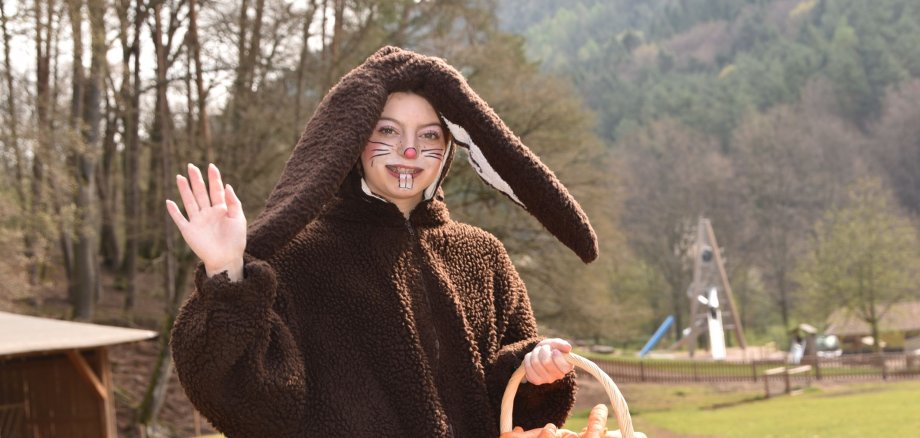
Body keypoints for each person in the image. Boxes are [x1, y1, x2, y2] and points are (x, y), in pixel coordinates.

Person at [167, 46, 599, 437]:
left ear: (451, 145)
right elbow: (245, 404)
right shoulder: (295, 261)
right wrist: (227, 273)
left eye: (429, 135)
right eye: (388, 131)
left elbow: (509, 407)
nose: (409, 151)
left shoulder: (484, 255)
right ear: (352, 140)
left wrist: (534, 371)